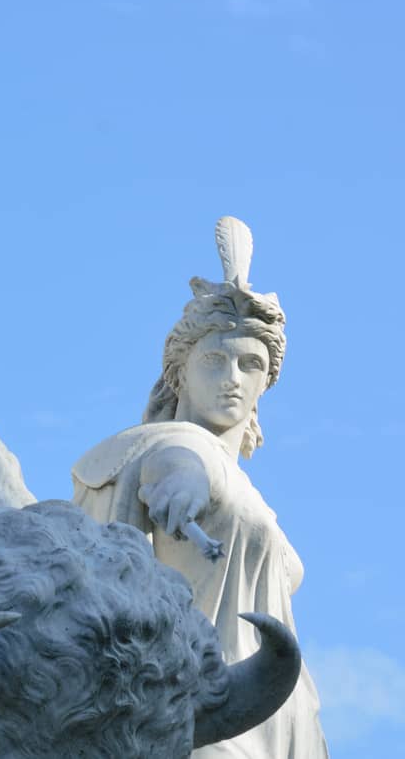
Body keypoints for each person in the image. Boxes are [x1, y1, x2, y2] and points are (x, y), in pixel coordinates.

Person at [72, 217, 327, 758]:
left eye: (249, 363)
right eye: (214, 359)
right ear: (179, 374)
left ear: (264, 383)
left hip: (279, 734)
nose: (231, 376)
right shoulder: (169, 446)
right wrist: (181, 484)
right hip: (205, 726)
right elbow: (177, 463)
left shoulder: (250, 494)